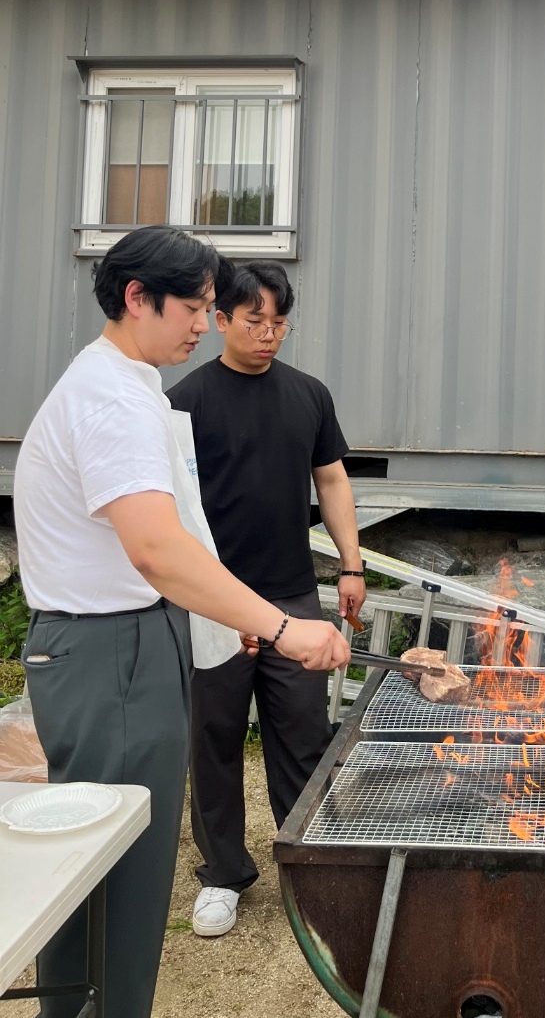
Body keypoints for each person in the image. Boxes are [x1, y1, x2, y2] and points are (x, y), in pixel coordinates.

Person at [13, 226, 350, 1018]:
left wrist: (218, 618)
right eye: (195, 307)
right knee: (117, 874)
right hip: (111, 652)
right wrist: (282, 627)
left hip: (137, 637)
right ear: (139, 298)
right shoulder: (113, 397)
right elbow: (157, 548)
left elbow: (168, 543)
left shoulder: (130, 385)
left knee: (110, 862)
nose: (206, 323)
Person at [167, 260, 366, 938]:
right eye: (255, 321)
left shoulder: (308, 394)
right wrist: (216, 605)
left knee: (303, 733)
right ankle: (223, 874)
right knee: (214, 739)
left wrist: (350, 564)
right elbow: (171, 513)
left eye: (280, 323)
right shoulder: (184, 403)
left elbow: (332, 480)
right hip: (212, 598)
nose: (269, 334)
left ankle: (309, 862)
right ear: (221, 319)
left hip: (292, 594)